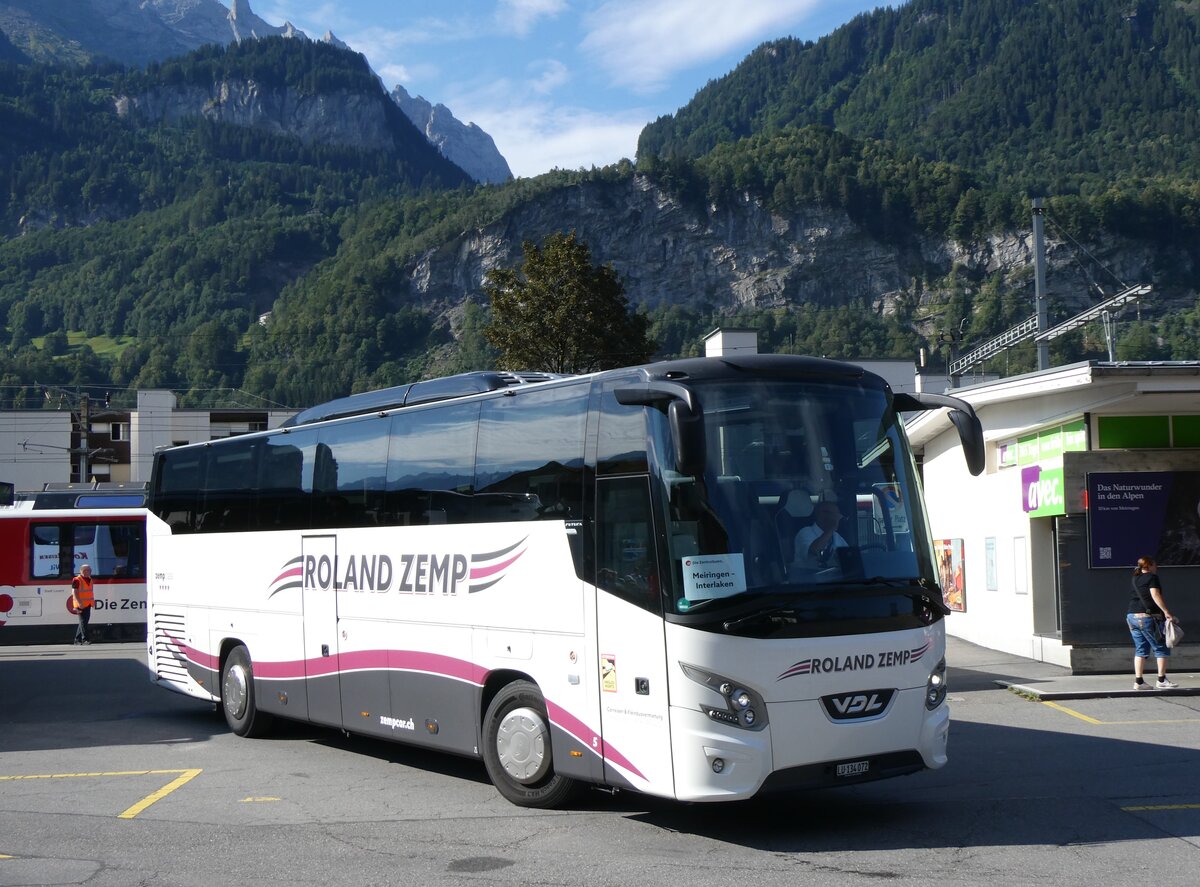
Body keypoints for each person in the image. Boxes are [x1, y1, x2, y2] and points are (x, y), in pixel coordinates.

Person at [1127, 556, 1179, 690]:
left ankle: (1138, 682)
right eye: (1155, 565)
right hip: (1147, 617)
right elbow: (1155, 595)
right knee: (1161, 646)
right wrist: (1166, 612)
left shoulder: (1135, 578)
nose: (1157, 567)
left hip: (1132, 616)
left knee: (1141, 649)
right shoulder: (1152, 577)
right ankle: (1161, 680)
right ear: (1149, 565)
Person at [794, 494, 847, 571]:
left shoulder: (837, 537)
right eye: (835, 515)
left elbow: (848, 555)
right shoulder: (805, 533)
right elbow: (814, 553)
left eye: (838, 515)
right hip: (807, 580)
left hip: (834, 579)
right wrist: (831, 529)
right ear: (821, 515)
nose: (838, 518)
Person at [71, 563, 95, 646]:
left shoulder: (89, 579)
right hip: (80, 605)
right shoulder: (77, 580)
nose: (89, 572)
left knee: (83, 622)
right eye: (87, 570)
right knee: (83, 622)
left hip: (87, 604)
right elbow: (74, 592)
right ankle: (85, 640)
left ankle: (77, 640)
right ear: (82, 571)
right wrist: (79, 602)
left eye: (90, 570)